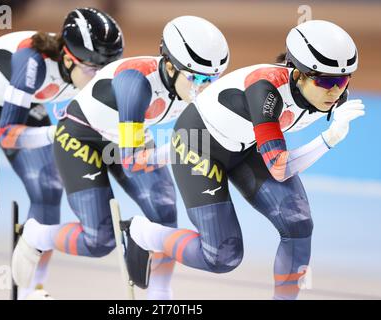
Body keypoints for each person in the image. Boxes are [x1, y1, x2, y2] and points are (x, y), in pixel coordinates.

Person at [125, 20, 364, 300]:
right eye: (325, 81)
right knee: (222, 256)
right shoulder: (265, 91)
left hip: (247, 145)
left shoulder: (333, 96)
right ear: (298, 74)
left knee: (298, 223)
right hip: (198, 144)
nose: (335, 91)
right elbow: (280, 169)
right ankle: (143, 233)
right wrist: (328, 140)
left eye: (343, 80)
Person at [12, 15, 229, 300]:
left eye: (211, 79)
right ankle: (36, 235)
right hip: (82, 138)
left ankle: (160, 295)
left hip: (125, 136)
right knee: (99, 240)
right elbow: (133, 160)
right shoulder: (135, 82)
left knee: (164, 210)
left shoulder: (187, 84)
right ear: (170, 65)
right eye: (197, 77)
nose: (203, 86)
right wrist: (182, 148)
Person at [0, 7, 124, 299]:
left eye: (106, 69)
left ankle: (31, 288)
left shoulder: (84, 70)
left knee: (48, 188)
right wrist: (53, 134)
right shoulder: (31, 62)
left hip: (21, 103)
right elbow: (8, 136)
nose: (100, 77)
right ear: (69, 58)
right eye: (94, 69)